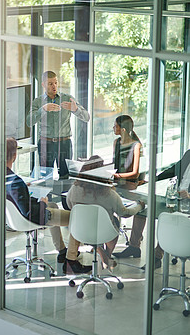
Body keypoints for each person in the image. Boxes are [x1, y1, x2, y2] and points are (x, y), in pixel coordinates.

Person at [0, 137, 91, 273]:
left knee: (54, 205)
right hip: (33, 217)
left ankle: (62, 250)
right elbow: (28, 212)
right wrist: (43, 204)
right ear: (14, 156)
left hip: (13, 218)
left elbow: (13, 197)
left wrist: (25, 190)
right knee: (77, 218)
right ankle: (71, 260)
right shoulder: (16, 182)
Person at [63, 156, 145, 274]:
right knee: (115, 222)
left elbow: (70, 205)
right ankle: (107, 256)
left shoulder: (74, 189)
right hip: (104, 232)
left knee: (89, 223)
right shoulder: (109, 194)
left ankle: (103, 255)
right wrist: (139, 206)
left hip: (81, 231)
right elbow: (125, 213)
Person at [115, 149, 190, 270]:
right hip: (176, 196)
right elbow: (173, 170)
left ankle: (157, 257)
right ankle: (134, 246)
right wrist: (151, 181)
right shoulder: (189, 153)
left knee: (168, 219)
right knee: (142, 208)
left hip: (188, 203)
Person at [26, 70, 90, 177]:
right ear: (43, 85)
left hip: (64, 144)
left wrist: (75, 109)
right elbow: (29, 122)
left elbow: (86, 117)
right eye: (50, 84)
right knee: (45, 177)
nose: (54, 86)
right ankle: (46, 195)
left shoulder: (67, 98)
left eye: (56, 82)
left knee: (66, 176)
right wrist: (43, 110)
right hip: (46, 144)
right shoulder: (38, 102)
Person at [112, 115, 146, 259]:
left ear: (123, 129)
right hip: (117, 183)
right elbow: (114, 165)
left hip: (131, 185)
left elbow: (135, 173)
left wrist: (118, 176)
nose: (113, 128)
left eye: (115, 126)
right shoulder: (116, 142)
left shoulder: (136, 145)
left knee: (142, 209)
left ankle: (134, 246)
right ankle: (104, 242)